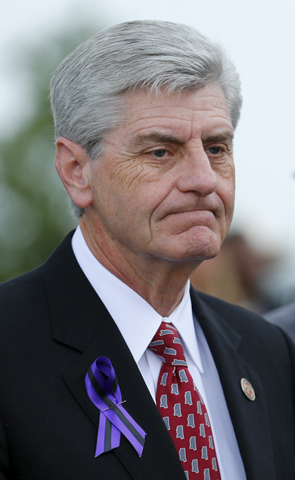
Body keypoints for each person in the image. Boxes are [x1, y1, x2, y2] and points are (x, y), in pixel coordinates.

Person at [0, 20, 294, 480]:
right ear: (77, 170)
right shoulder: (10, 347)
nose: (203, 179)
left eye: (217, 149)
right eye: (161, 152)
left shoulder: (267, 351)